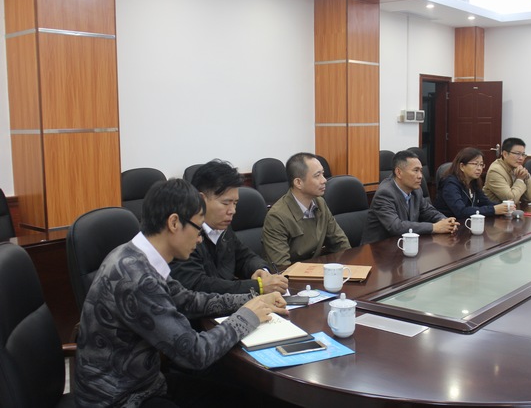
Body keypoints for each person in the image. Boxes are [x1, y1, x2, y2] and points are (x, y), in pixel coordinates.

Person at [74, 179, 287, 408]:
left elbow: (187, 300)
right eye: (198, 228)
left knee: (246, 395)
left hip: (144, 382)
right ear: (174, 223)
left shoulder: (135, 255)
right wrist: (247, 317)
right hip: (120, 398)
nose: (200, 238)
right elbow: (195, 353)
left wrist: (253, 300)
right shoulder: (137, 278)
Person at [170, 160, 288, 295]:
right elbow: (199, 285)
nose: (232, 211)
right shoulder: (184, 234)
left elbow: (244, 256)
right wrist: (258, 286)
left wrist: (261, 271)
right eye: (226, 203)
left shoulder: (222, 226)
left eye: (235, 203)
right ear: (201, 200)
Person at [262, 152, 350, 270]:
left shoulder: (320, 203)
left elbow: (340, 243)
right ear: (298, 182)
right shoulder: (277, 216)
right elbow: (281, 267)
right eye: (317, 175)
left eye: (323, 174)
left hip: (318, 272)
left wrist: (349, 269)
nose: (324, 180)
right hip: (294, 277)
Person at [361, 150, 459, 245]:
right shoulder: (385, 194)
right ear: (399, 172)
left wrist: (445, 221)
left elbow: (428, 211)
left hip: (403, 245)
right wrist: (434, 227)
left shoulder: (416, 190)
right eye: (416, 170)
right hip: (378, 249)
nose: (420, 176)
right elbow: (396, 227)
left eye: (421, 171)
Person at [434, 147, 510, 220]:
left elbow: (485, 202)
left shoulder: (473, 181)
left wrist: (504, 208)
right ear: (462, 166)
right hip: (450, 224)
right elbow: (461, 211)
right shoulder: (450, 183)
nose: (479, 168)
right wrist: (493, 210)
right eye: (475, 164)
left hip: (468, 222)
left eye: (481, 165)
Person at [483, 137, 531, 204]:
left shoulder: (517, 167)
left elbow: (529, 197)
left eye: (523, 154)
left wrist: (526, 177)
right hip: (494, 209)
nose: (521, 158)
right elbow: (511, 200)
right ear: (505, 154)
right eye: (517, 154)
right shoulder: (495, 171)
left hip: (512, 209)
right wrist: (520, 179)